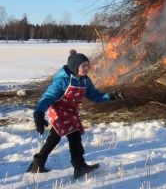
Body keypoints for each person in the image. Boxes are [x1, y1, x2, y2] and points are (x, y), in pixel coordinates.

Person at [27, 50, 126, 178]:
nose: (86, 68)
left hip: (71, 112)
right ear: (75, 67)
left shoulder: (85, 81)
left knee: (59, 138)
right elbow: (48, 97)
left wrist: (111, 96)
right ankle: (79, 166)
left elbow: (96, 96)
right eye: (83, 66)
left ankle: (38, 164)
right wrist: (39, 113)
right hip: (59, 112)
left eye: (87, 65)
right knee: (71, 136)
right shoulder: (62, 81)